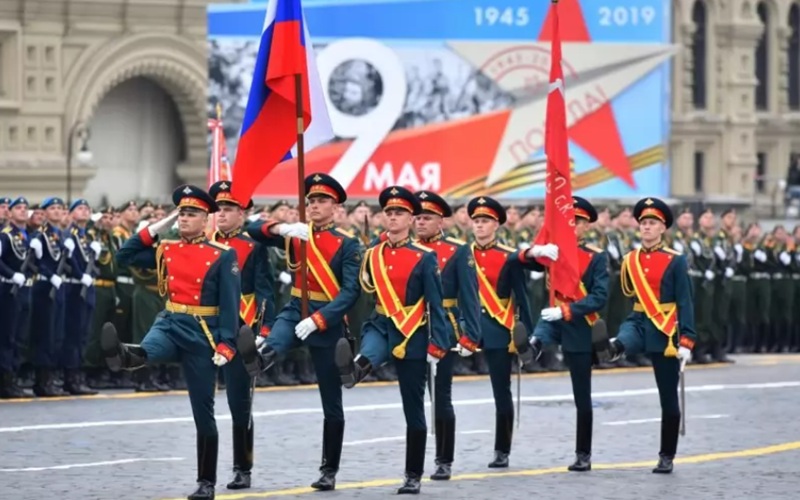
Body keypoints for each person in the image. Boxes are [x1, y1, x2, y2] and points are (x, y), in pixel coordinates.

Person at [101, 185, 242, 499]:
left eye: (191, 214)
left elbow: (230, 304)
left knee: (203, 412)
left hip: (202, 332)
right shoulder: (167, 247)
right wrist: (157, 226)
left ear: (205, 219)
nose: (185, 218)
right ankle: (125, 356)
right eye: (182, 214)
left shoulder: (223, 255)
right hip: (170, 321)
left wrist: (227, 344)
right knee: (148, 350)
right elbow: (123, 256)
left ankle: (206, 482)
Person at [242, 173, 361, 491]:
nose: (315, 206)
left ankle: (329, 470)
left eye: (322, 201)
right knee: (276, 340)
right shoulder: (296, 234)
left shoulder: (348, 244)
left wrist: (320, 319)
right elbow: (252, 230)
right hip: (296, 307)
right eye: (311, 201)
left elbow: (350, 292)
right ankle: (259, 360)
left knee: (331, 403)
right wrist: (281, 228)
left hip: (327, 319)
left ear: (335, 207)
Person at [334, 185, 450, 494]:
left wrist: (438, 344)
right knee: (370, 350)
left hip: (412, 333)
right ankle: (354, 369)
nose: (393, 217)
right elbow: (363, 292)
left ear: (411, 219)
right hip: (381, 323)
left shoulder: (425, 257)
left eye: (400, 212)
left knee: (413, 409)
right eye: (389, 212)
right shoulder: (373, 253)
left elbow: (436, 304)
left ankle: (413, 474)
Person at [516, 196, 609, 471]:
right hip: (553, 318)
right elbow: (522, 261)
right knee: (543, 326)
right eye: (568, 222)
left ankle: (583, 454)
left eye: (577, 223)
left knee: (582, 396)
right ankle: (531, 348)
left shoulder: (595, 257)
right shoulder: (553, 252)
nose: (571, 227)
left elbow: (599, 297)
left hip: (580, 324)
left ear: (586, 227)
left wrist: (567, 311)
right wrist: (534, 250)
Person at [607, 197, 696, 474]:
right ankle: (614, 348)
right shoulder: (630, 259)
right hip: (638, 319)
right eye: (643, 223)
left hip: (665, 329)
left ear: (662, 228)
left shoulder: (676, 260)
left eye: (652, 223)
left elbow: (685, 301)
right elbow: (629, 297)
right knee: (625, 337)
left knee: (668, 399)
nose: (646, 227)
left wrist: (686, 340)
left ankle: (666, 455)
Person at [465, 196, 552, 468]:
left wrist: (524, 332)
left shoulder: (508, 255)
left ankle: (501, 450)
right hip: (468, 326)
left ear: (496, 225)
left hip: (498, 329)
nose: (480, 226)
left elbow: (531, 272)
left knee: (501, 392)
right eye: (477, 221)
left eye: (485, 221)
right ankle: (444, 456)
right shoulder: (463, 254)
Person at [209, 180, 274, 490]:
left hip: (239, 327)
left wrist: (264, 329)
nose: (221, 214)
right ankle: (205, 471)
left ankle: (242, 467)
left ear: (242, 213)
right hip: (205, 326)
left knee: (239, 403)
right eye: (218, 208)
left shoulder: (253, 245)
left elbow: (264, 289)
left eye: (228, 209)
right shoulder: (204, 241)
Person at [412, 190, 481, 480]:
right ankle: (413, 462)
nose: (420, 222)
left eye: (427, 218)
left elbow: (470, 296)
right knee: (413, 398)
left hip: (443, 328)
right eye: (417, 217)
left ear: (440, 221)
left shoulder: (458, 250)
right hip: (409, 327)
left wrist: (470, 335)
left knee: (441, 397)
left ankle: (444, 459)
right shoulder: (404, 248)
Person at [29, 196, 69, 397]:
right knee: (45, 334)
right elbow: (33, 263)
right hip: (44, 287)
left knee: (56, 334)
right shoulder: (40, 236)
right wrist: (48, 274)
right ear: (44, 213)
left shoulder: (58, 235)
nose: (56, 211)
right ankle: (42, 380)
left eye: (59, 208)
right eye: (52, 208)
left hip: (58, 286)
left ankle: (51, 377)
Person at [60, 199, 101, 395]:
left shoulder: (86, 236)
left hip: (87, 288)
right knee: (74, 334)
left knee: (84, 334)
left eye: (87, 208)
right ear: (71, 214)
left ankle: (78, 373)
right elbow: (67, 262)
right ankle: (71, 376)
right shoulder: (70, 235)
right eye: (80, 208)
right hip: (74, 288)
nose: (84, 211)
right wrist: (79, 275)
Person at [0, 197, 34, 398]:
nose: (22, 210)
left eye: (25, 208)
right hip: (9, 289)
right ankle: (6, 381)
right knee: (8, 336)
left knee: (20, 337)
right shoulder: (5, 235)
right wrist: (12, 274)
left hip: (24, 289)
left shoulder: (26, 236)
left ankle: (14, 377)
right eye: (18, 208)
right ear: (10, 212)